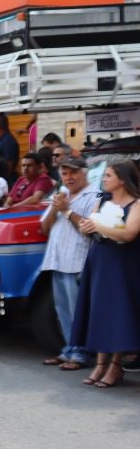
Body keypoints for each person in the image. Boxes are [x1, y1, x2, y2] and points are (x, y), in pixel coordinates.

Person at [71, 159, 140, 389]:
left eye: (108, 175)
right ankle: (100, 364)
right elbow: (89, 226)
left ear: (122, 180)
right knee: (99, 309)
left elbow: (128, 234)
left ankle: (116, 366)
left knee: (118, 311)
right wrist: (86, 227)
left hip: (122, 263)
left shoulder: (137, 204)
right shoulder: (102, 200)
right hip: (99, 259)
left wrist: (97, 226)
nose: (104, 179)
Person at [37, 157, 97, 371]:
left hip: (77, 260)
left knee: (76, 309)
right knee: (62, 308)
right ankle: (69, 349)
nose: (69, 177)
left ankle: (81, 353)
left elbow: (90, 229)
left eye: (73, 172)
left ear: (84, 173)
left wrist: (66, 210)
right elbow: (44, 229)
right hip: (57, 259)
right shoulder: (61, 194)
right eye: (64, 173)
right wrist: (56, 209)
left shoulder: (94, 195)